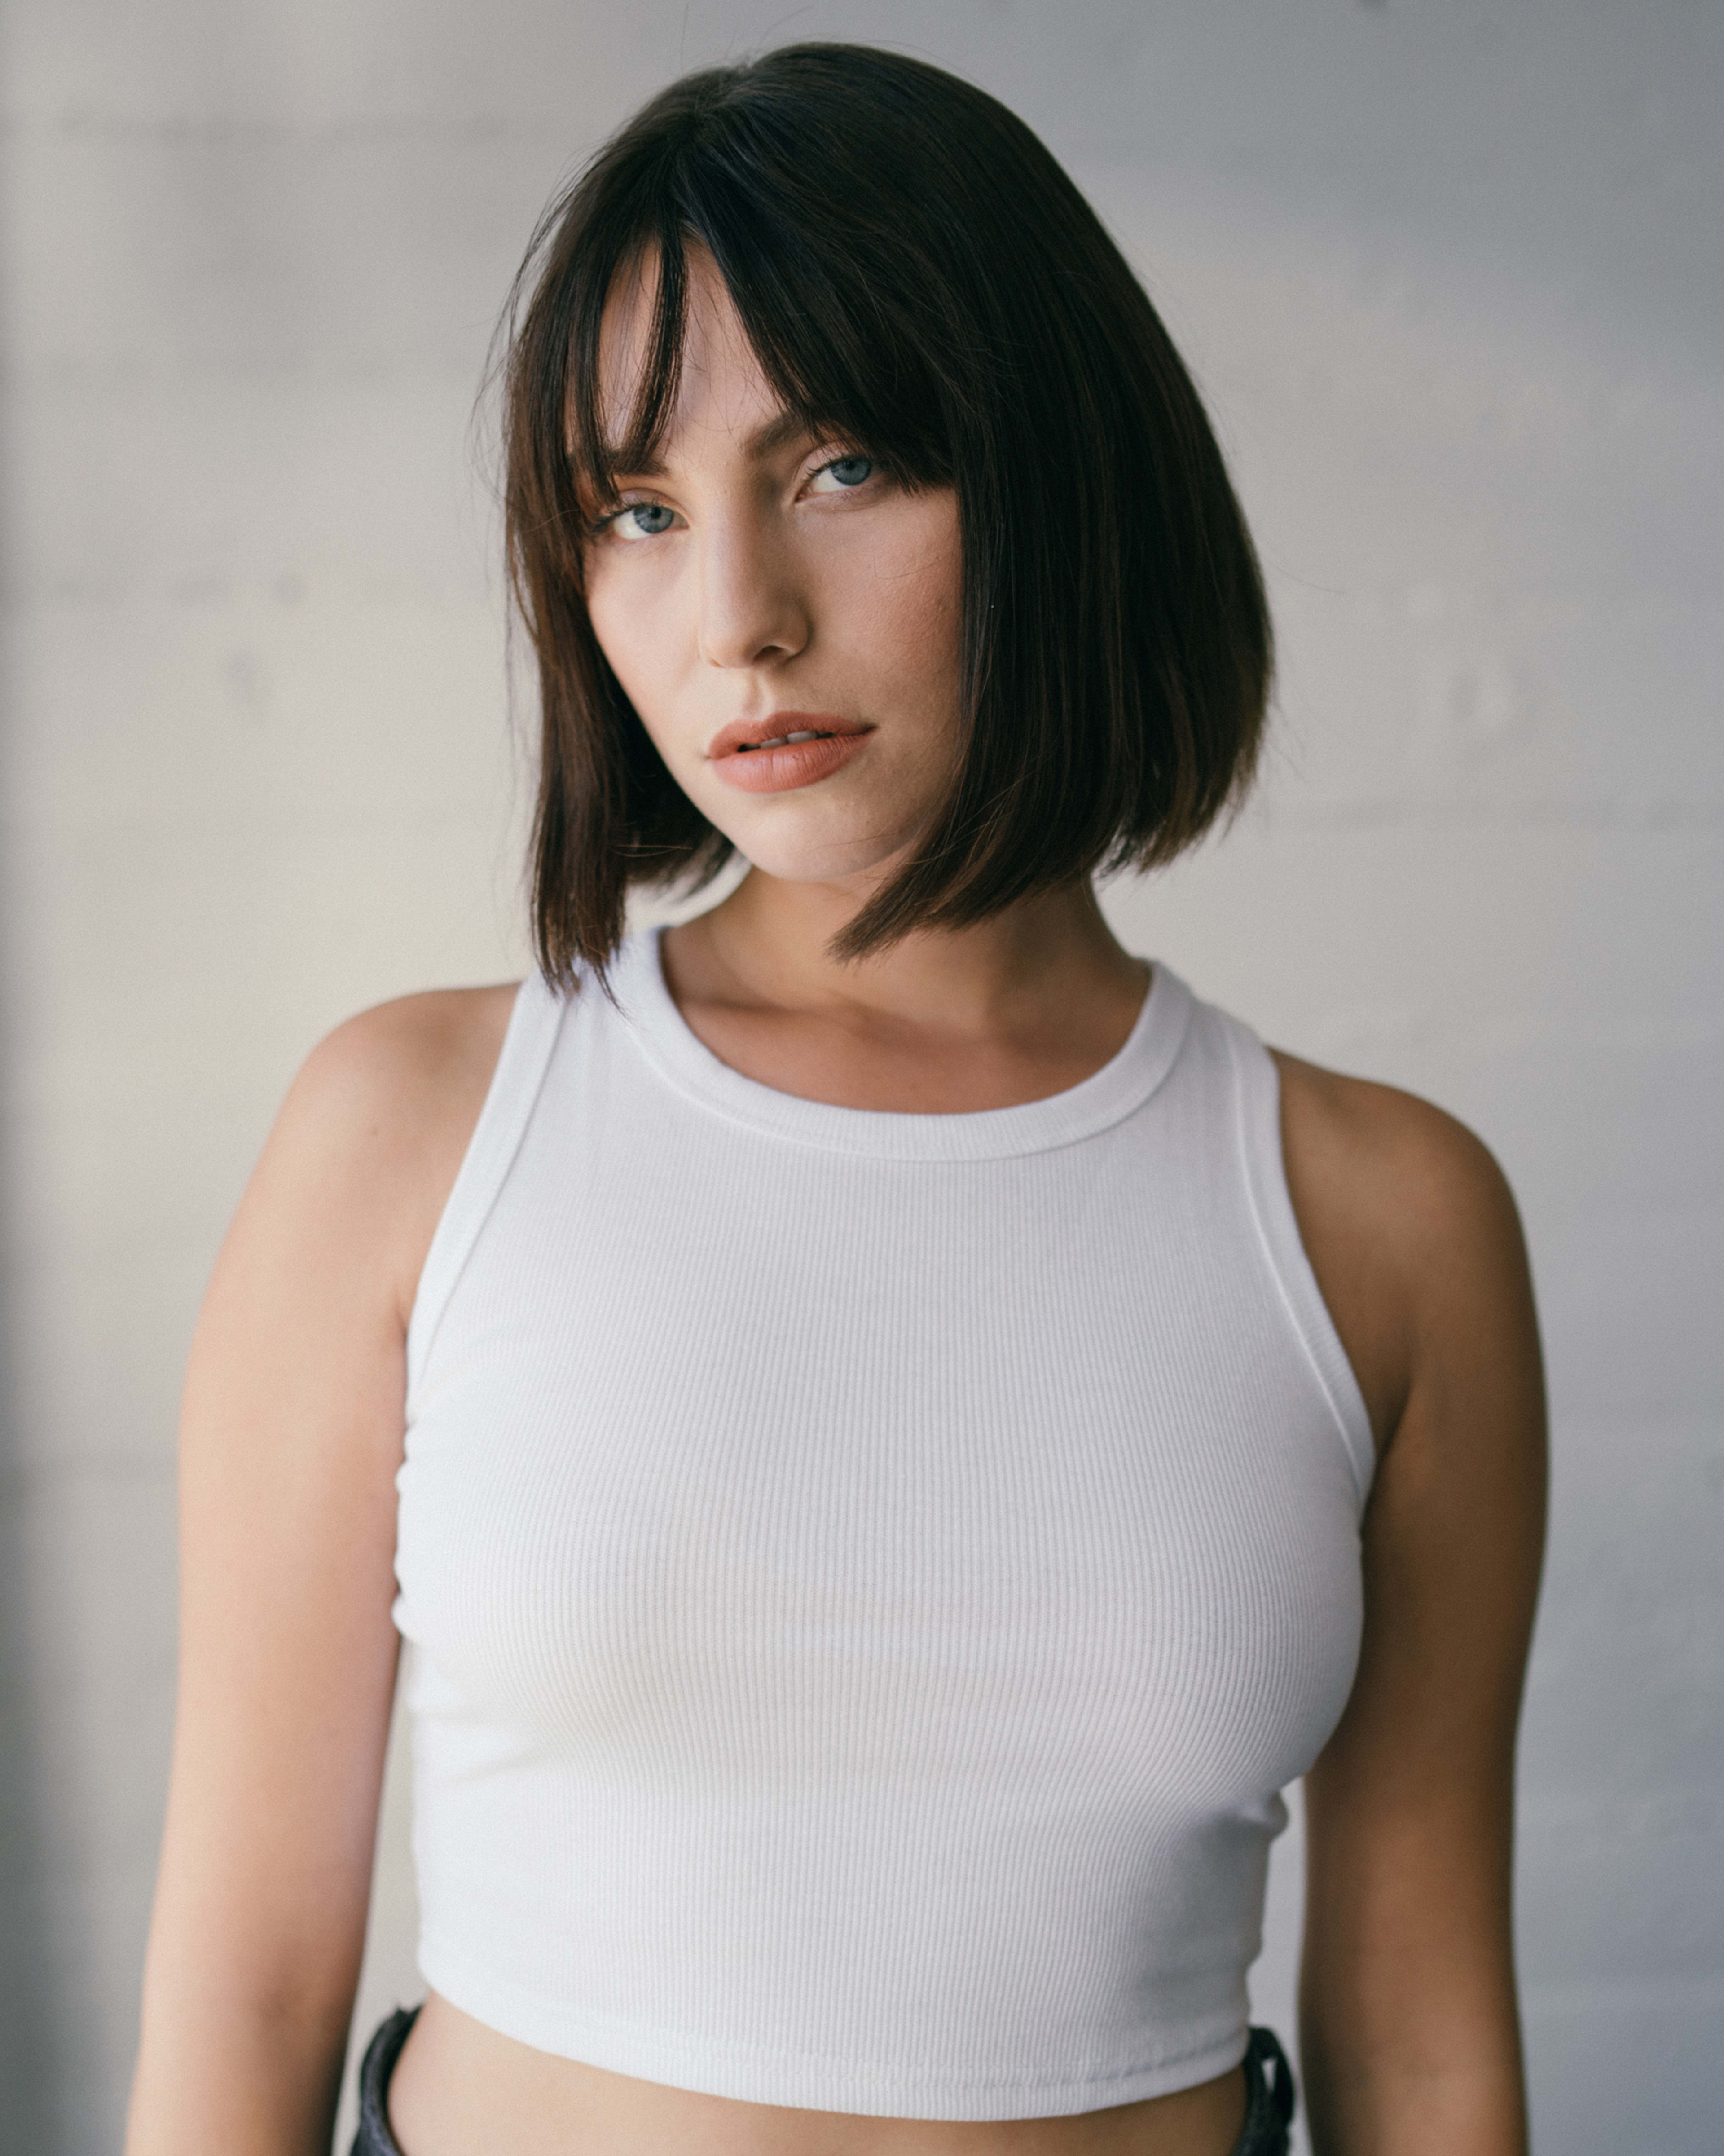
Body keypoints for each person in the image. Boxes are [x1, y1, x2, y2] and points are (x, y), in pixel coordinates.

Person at [124, 42, 1547, 2156]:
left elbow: (1422, 2037)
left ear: (1064, 476)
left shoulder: (1385, 1217)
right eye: (635, 508)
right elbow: (244, 1984)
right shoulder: (414, 1135)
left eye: (847, 465)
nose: (738, 621)